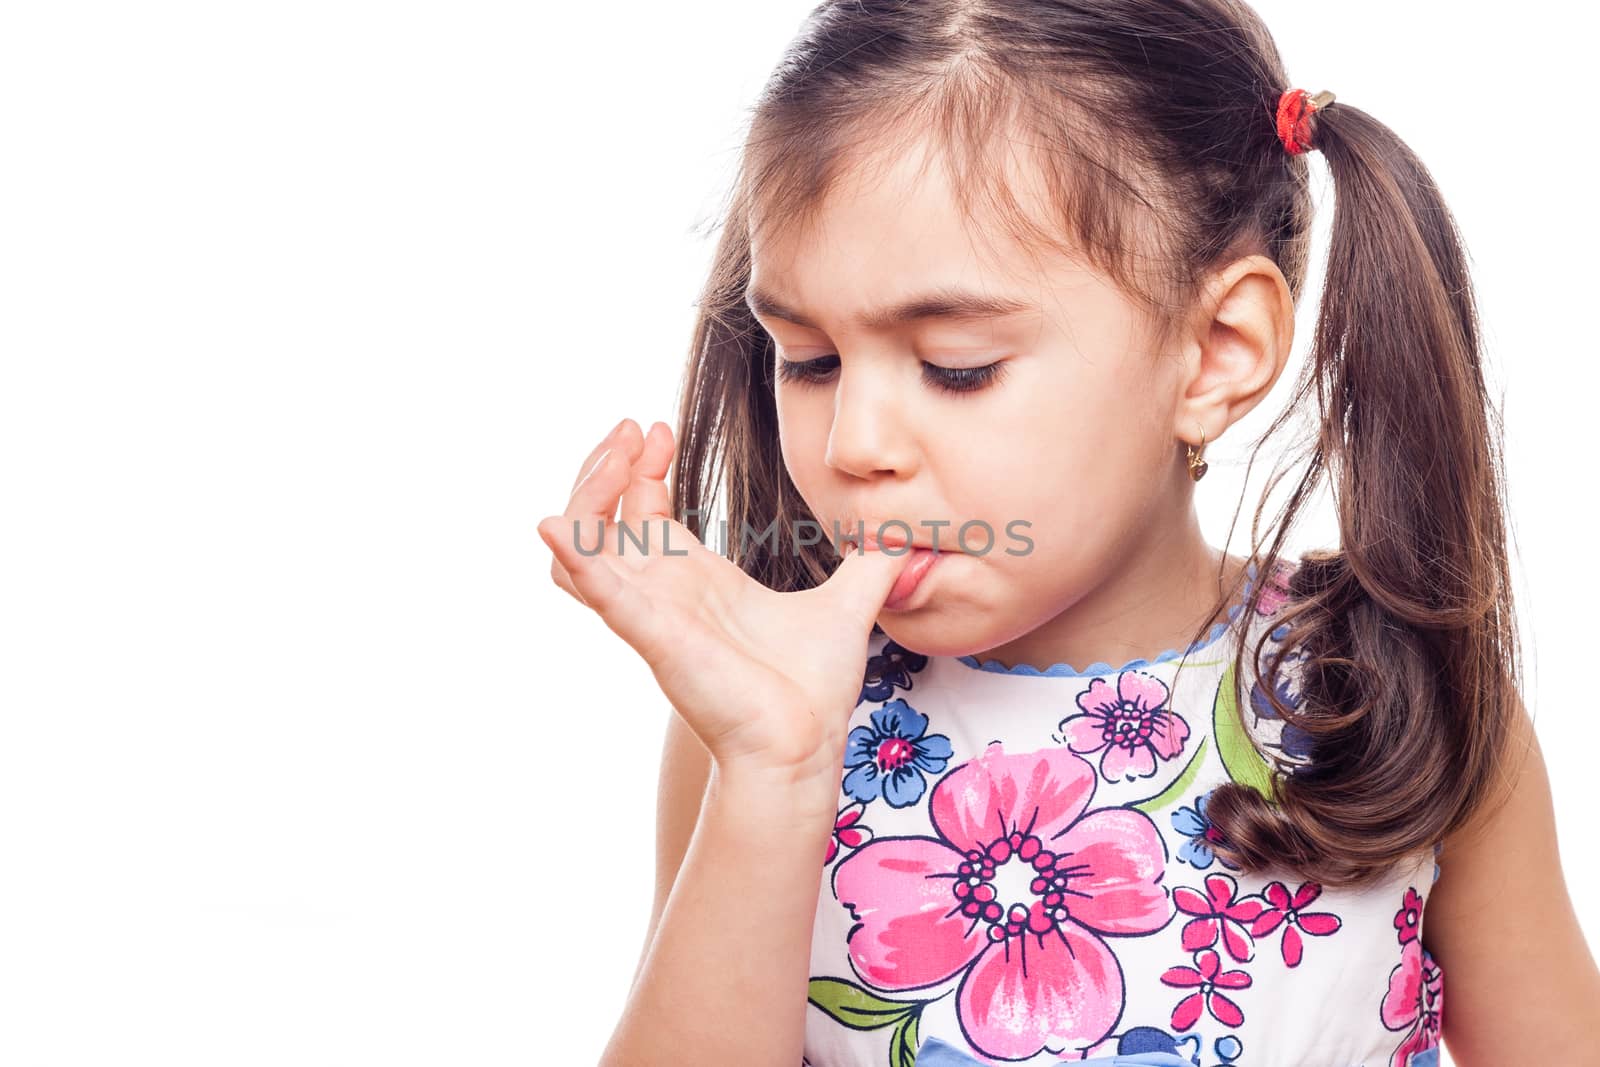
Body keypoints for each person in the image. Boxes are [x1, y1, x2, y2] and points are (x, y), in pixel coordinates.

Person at [535, 1, 1600, 1064]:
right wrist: (772, 772)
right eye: (809, 360)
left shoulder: (1390, 702)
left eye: (955, 365)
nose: (853, 442)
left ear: (1217, 349)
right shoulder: (773, 725)